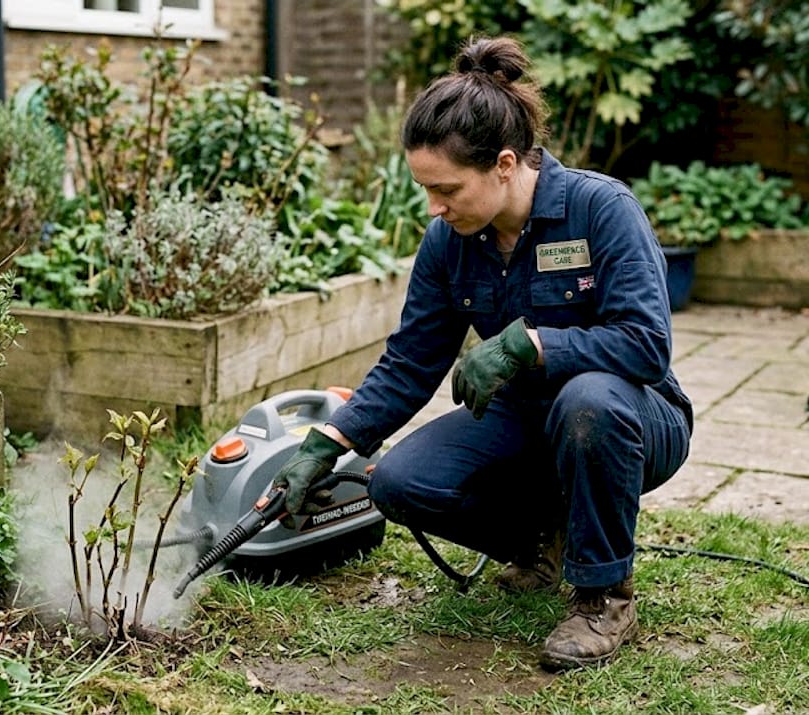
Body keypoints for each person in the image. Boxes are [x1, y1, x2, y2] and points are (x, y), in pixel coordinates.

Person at [271, 36, 693, 672]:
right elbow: (411, 360)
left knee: (588, 401)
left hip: (631, 413)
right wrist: (330, 440)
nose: (435, 208)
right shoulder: (450, 242)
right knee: (398, 481)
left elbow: (646, 346)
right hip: (524, 420)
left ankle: (604, 597)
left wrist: (532, 343)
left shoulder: (601, 209)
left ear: (503, 164)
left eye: (447, 189)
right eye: (425, 191)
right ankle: (542, 542)